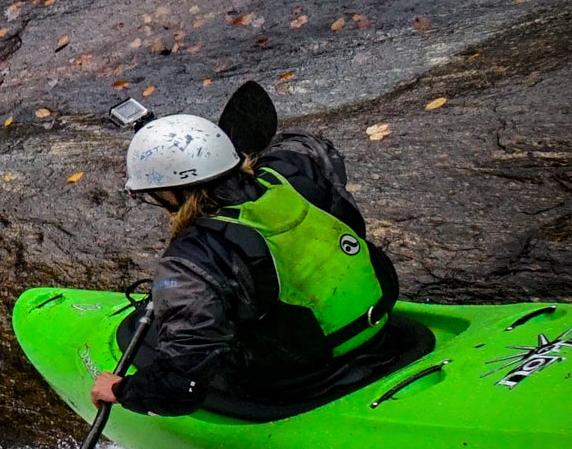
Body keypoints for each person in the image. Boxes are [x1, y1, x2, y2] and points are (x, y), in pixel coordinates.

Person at [90, 109, 417, 420]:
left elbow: (178, 390)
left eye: (155, 194)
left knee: (148, 339)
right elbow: (310, 145)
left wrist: (122, 389)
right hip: (380, 334)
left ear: (171, 193)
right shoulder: (294, 172)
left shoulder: (192, 262)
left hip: (304, 381)